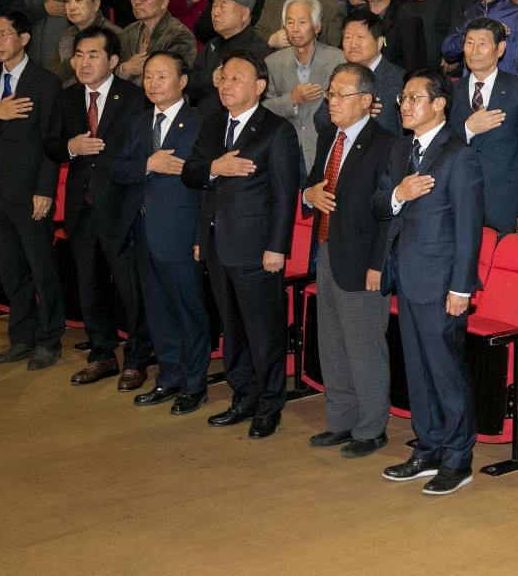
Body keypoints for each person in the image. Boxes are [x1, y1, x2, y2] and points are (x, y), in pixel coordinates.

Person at [372, 69, 485, 495]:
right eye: (403, 98)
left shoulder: (459, 155)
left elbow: (469, 229)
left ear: (439, 104)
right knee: (417, 370)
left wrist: (461, 287)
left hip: (441, 284)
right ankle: (430, 446)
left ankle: (458, 458)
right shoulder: (402, 149)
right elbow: (380, 203)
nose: (404, 105)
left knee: (446, 372)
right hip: (407, 276)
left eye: (414, 98)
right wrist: (400, 193)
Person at [182, 50, 298, 438]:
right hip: (217, 244)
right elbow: (192, 174)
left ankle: (269, 405)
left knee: (262, 331)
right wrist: (215, 170)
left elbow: (285, 195)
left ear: (259, 87)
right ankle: (243, 395)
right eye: (223, 77)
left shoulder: (276, 130)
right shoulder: (213, 124)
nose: (225, 85)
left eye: (235, 78)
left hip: (256, 248)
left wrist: (277, 247)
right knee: (231, 328)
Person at [46, 26, 151, 390]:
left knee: (129, 288)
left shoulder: (134, 97)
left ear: (113, 60)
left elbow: (142, 154)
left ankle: (137, 359)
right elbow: (52, 146)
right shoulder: (67, 99)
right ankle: (102, 354)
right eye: (79, 55)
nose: (84, 62)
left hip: (121, 209)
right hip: (81, 208)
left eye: (93, 55)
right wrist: (71, 147)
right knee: (89, 286)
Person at [302, 62, 398, 455]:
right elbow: (312, 183)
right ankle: (340, 421)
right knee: (332, 343)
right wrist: (309, 196)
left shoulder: (387, 144)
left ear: (366, 100)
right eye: (331, 93)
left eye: (342, 95)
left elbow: (388, 215)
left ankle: (371, 428)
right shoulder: (328, 136)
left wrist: (378, 265)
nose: (333, 101)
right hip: (327, 250)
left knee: (364, 347)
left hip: (363, 261)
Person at [107, 51, 210, 415]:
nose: (153, 83)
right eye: (148, 76)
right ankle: (169, 376)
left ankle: (195, 385)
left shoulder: (200, 122)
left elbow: (204, 182)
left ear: (182, 82)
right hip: (142, 230)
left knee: (188, 311)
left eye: (162, 76)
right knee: (157, 310)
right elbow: (115, 167)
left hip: (180, 231)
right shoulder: (136, 122)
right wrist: (147, 164)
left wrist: (201, 236)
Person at [0, 12, 65, 369]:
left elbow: (53, 143)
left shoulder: (46, 83)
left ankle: (50, 339)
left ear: (24, 38)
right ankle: (21, 336)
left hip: (31, 189)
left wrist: (45, 190)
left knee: (41, 267)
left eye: (4, 34)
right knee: (10, 268)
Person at [448, 18, 518, 232]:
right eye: (469, 42)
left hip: (505, 199)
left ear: (500, 49)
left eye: (482, 43)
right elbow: (440, 141)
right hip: (459, 196)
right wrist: (468, 129)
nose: (474, 50)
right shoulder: (451, 91)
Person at [263, 0, 346, 174]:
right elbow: (262, 109)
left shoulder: (338, 60)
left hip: (326, 148)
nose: (295, 29)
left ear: (317, 26)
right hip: (285, 149)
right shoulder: (272, 62)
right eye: (290, 22)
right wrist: (291, 99)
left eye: (302, 22)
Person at [187, 0, 272, 115]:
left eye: (223, 6)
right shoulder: (211, 46)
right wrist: (210, 78)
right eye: (214, 6)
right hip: (204, 123)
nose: (215, 12)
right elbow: (189, 87)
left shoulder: (259, 51)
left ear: (244, 14)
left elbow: (261, 97)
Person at [117, 0, 197, 86]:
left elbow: (176, 78)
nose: (136, 2)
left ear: (164, 2)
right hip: (129, 100)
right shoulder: (128, 32)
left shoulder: (180, 35)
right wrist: (125, 69)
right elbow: (111, 69)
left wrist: (145, 68)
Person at [339, 9, 404, 136]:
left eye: (360, 37)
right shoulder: (340, 76)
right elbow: (319, 120)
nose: (353, 44)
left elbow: (404, 133)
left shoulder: (399, 80)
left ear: (379, 42)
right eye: (347, 37)